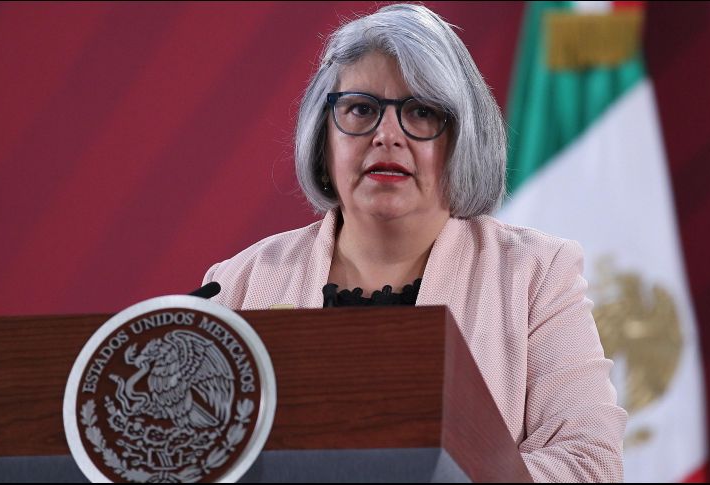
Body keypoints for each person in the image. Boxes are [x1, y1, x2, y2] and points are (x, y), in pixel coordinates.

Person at [203, 3, 626, 481]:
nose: (387, 135)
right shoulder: (238, 284)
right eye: (361, 109)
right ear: (324, 136)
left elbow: (588, 462)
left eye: (422, 112)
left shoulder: (535, 274)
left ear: (464, 137)